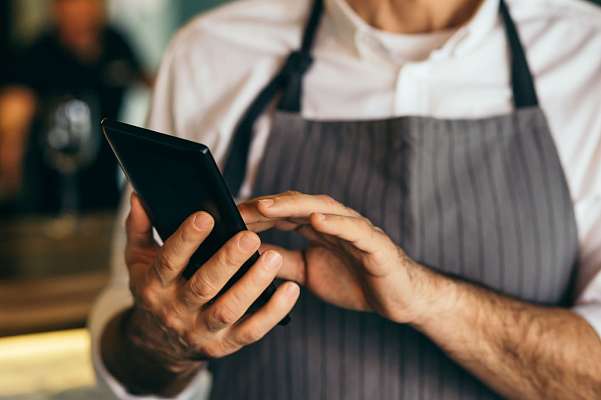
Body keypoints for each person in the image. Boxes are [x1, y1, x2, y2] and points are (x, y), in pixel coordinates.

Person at [90, 0, 601, 398]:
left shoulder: (587, 54)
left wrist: (426, 298)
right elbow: (128, 365)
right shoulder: (212, 52)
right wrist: (164, 341)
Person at [0, 0, 147, 214]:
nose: (80, 9)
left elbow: (146, 79)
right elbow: (12, 116)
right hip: (49, 197)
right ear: (56, 8)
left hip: (105, 189)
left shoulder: (116, 43)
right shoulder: (37, 55)